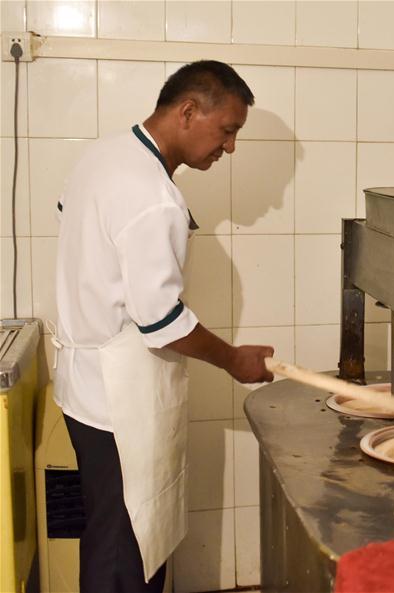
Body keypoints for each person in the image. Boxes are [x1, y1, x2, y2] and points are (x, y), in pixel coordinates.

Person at [53, 60, 275, 593]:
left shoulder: (102, 156)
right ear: (188, 111)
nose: (230, 148)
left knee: (108, 534)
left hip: (83, 387)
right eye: (228, 130)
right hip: (119, 403)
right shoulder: (153, 198)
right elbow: (161, 321)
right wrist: (234, 359)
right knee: (124, 555)